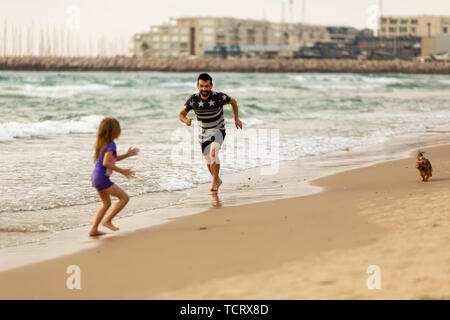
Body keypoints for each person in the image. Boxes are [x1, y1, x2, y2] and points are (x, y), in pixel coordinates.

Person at [179, 73, 242, 193]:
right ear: (197, 86)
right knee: (208, 161)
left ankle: (214, 184)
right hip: (203, 133)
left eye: (206, 86)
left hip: (218, 129)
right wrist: (185, 120)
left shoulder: (219, 97)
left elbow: (233, 102)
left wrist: (236, 119)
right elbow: (181, 114)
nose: (204, 89)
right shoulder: (194, 99)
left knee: (213, 154)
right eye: (202, 86)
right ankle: (217, 179)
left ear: (211, 85)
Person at [90, 117, 139, 237]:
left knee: (106, 203)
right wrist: (123, 171)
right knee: (124, 198)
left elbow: (113, 159)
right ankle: (107, 221)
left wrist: (127, 155)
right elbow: (106, 163)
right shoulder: (111, 145)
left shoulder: (104, 144)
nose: (120, 131)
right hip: (102, 179)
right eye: (119, 129)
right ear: (113, 131)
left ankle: (94, 229)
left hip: (96, 178)